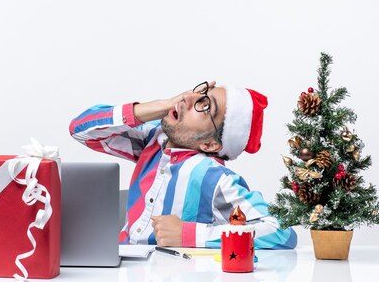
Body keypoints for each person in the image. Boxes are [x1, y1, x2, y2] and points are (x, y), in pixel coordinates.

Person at [69, 80, 297, 249]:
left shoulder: (214, 177)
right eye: (200, 93)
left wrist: (188, 234)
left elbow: (281, 231)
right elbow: (80, 130)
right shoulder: (153, 141)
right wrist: (164, 105)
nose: (188, 98)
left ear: (209, 144)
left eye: (206, 106)